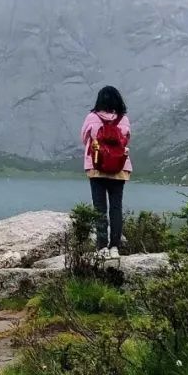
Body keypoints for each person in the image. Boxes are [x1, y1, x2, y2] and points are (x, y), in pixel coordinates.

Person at [81, 85, 132, 259]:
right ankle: (115, 248)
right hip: (119, 169)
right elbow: (127, 139)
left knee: (99, 208)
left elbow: (84, 138)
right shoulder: (124, 119)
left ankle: (102, 247)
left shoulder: (91, 117)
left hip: (96, 167)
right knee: (116, 208)